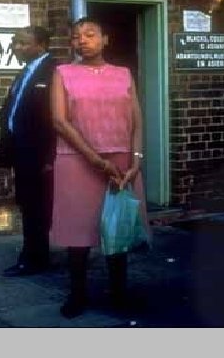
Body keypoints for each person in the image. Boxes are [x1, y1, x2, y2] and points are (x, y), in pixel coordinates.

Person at [50, 17, 150, 318]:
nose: (82, 40)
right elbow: (59, 120)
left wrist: (136, 161)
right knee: (78, 233)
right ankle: (77, 294)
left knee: (117, 228)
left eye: (90, 34)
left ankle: (119, 292)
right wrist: (95, 159)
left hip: (121, 161)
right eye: (76, 36)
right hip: (76, 160)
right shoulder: (62, 73)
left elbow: (137, 121)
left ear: (105, 39)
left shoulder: (123, 74)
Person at [0, 26, 57, 276]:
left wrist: (49, 157)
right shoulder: (27, 71)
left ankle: (33, 258)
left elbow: (56, 119)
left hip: (38, 155)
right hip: (21, 152)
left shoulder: (54, 72)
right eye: (15, 42)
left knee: (36, 207)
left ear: (41, 44)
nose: (17, 47)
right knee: (28, 205)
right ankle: (34, 254)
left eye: (23, 43)